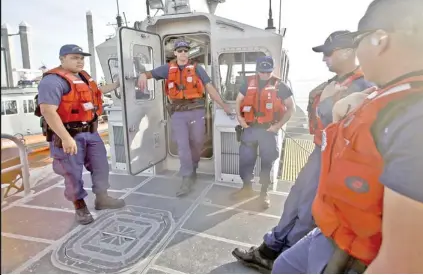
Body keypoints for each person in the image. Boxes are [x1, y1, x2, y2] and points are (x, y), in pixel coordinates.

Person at [271, 0, 423, 274]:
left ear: (380, 40)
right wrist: (364, 98)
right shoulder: (405, 95)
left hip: (364, 259)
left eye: (359, 42)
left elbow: (406, 265)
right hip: (337, 236)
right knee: (285, 266)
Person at [232, 31, 374, 273]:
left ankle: (284, 253)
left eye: (329, 53)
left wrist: (277, 126)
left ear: (349, 52)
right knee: (296, 198)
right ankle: (271, 246)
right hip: (319, 150)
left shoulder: (365, 86)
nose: (324, 59)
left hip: (335, 157)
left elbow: (346, 126)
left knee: (308, 208)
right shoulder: (336, 84)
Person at [36, 44, 125, 225]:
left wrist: (117, 84)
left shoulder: (83, 77)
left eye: (82, 58)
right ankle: (80, 206)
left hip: (91, 133)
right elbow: (47, 110)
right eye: (74, 57)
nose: (80, 61)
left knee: (101, 166)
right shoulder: (52, 81)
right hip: (68, 134)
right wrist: (66, 138)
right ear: (62, 59)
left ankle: (102, 198)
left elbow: (98, 92)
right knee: (72, 173)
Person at [137, 40, 232, 197]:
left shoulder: (197, 69)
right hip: (178, 113)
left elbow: (209, 87)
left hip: (196, 111)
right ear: (175, 53)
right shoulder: (167, 69)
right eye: (179, 51)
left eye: (185, 51)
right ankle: (186, 177)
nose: (183, 53)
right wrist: (142, 75)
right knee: (183, 145)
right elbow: (150, 74)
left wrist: (222, 104)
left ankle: (193, 166)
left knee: (197, 142)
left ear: (188, 53)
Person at [232, 56, 295, 208]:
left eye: (268, 72)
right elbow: (238, 101)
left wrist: (278, 126)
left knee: (267, 162)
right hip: (250, 129)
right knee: (246, 160)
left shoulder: (281, 86)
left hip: (268, 130)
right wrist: (240, 119)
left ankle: (263, 193)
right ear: (257, 70)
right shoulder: (248, 83)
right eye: (262, 71)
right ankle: (246, 188)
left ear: (272, 70)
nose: (265, 74)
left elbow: (291, 108)